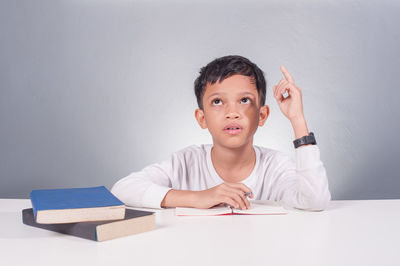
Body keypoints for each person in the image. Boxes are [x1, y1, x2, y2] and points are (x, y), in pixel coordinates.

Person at [111, 55, 331, 211]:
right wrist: (200, 198)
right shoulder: (186, 162)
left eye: (244, 100)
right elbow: (122, 189)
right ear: (202, 118)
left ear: (262, 115)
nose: (232, 113)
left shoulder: (275, 166)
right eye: (217, 102)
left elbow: (315, 201)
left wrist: (297, 120)